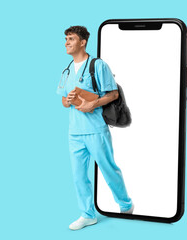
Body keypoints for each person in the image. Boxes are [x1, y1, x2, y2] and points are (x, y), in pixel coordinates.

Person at [57, 26, 134, 231]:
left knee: (108, 169)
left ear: (83, 42)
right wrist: (69, 100)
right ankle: (87, 215)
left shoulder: (97, 65)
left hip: (96, 129)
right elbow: (64, 100)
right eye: (65, 39)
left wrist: (93, 104)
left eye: (71, 39)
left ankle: (125, 205)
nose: (66, 42)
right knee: (78, 176)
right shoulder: (66, 70)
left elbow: (113, 94)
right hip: (74, 132)